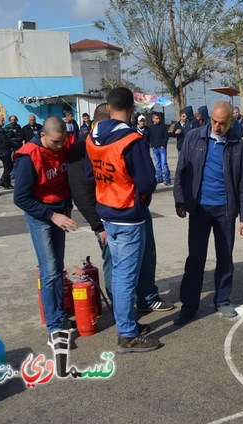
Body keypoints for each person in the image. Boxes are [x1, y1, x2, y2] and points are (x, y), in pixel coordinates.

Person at [70, 105, 173, 319]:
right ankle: (124, 320)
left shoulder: (109, 142)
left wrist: (138, 200)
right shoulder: (88, 147)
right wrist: (98, 225)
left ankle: (142, 301)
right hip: (113, 216)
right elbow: (83, 191)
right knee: (120, 271)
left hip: (125, 210)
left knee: (140, 260)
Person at [85, 87, 161, 353]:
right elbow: (147, 181)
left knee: (119, 273)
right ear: (131, 109)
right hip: (128, 214)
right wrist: (140, 197)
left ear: (107, 107)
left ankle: (126, 325)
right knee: (127, 276)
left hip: (107, 210)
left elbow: (88, 174)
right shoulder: (131, 140)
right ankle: (127, 334)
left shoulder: (92, 136)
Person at [172, 101, 243, 324]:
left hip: (225, 210)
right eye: (214, 121)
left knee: (225, 258)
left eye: (222, 123)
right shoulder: (194, 137)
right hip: (199, 208)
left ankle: (223, 300)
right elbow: (182, 171)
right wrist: (180, 200)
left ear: (230, 122)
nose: (217, 126)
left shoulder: (238, 145)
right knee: (195, 258)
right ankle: (189, 306)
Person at [13, 116, 77, 341]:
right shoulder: (29, 156)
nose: (59, 147)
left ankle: (60, 316)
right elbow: (20, 198)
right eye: (54, 143)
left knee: (58, 268)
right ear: (42, 135)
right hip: (41, 216)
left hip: (59, 211)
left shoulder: (62, 148)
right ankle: (54, 327)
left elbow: (65, 181)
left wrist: (66, 207)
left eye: (62, 142)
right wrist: (52, 215)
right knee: (49, 270)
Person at [149, 111, 171, 185]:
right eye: (156, 118)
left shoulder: (163, 126)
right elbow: (151, 137)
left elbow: (166, 136)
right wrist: (153, 145)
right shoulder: (151, 127)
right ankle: (159, 178)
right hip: (155, 148)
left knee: (164, 163)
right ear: (153, 119)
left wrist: (163, 145)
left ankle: (167, 179)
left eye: (159, 118)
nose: (158, 120)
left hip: (162, 148)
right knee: (157, 164)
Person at [0, 116, 14, 189]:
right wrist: (15, 145)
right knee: (8, 167)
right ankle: (6, 183)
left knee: (8, 166)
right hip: (3, 151)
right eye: (2, 120)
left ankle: (3, 180)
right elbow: (6, 140)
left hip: (3, 150)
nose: (3, 122)